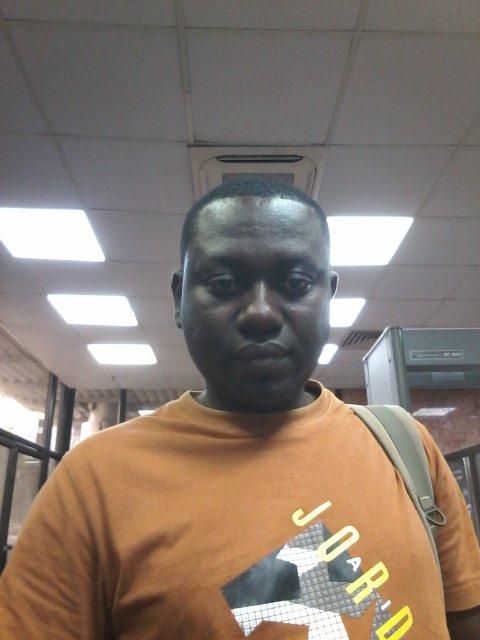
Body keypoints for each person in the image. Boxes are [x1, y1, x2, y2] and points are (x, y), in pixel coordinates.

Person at [0, 177, 479, 639]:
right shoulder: (93, 483)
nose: (261, 313)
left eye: (295, 282)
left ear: (328, 296)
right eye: (225, 283)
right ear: (179, 298)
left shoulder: (403, 446)